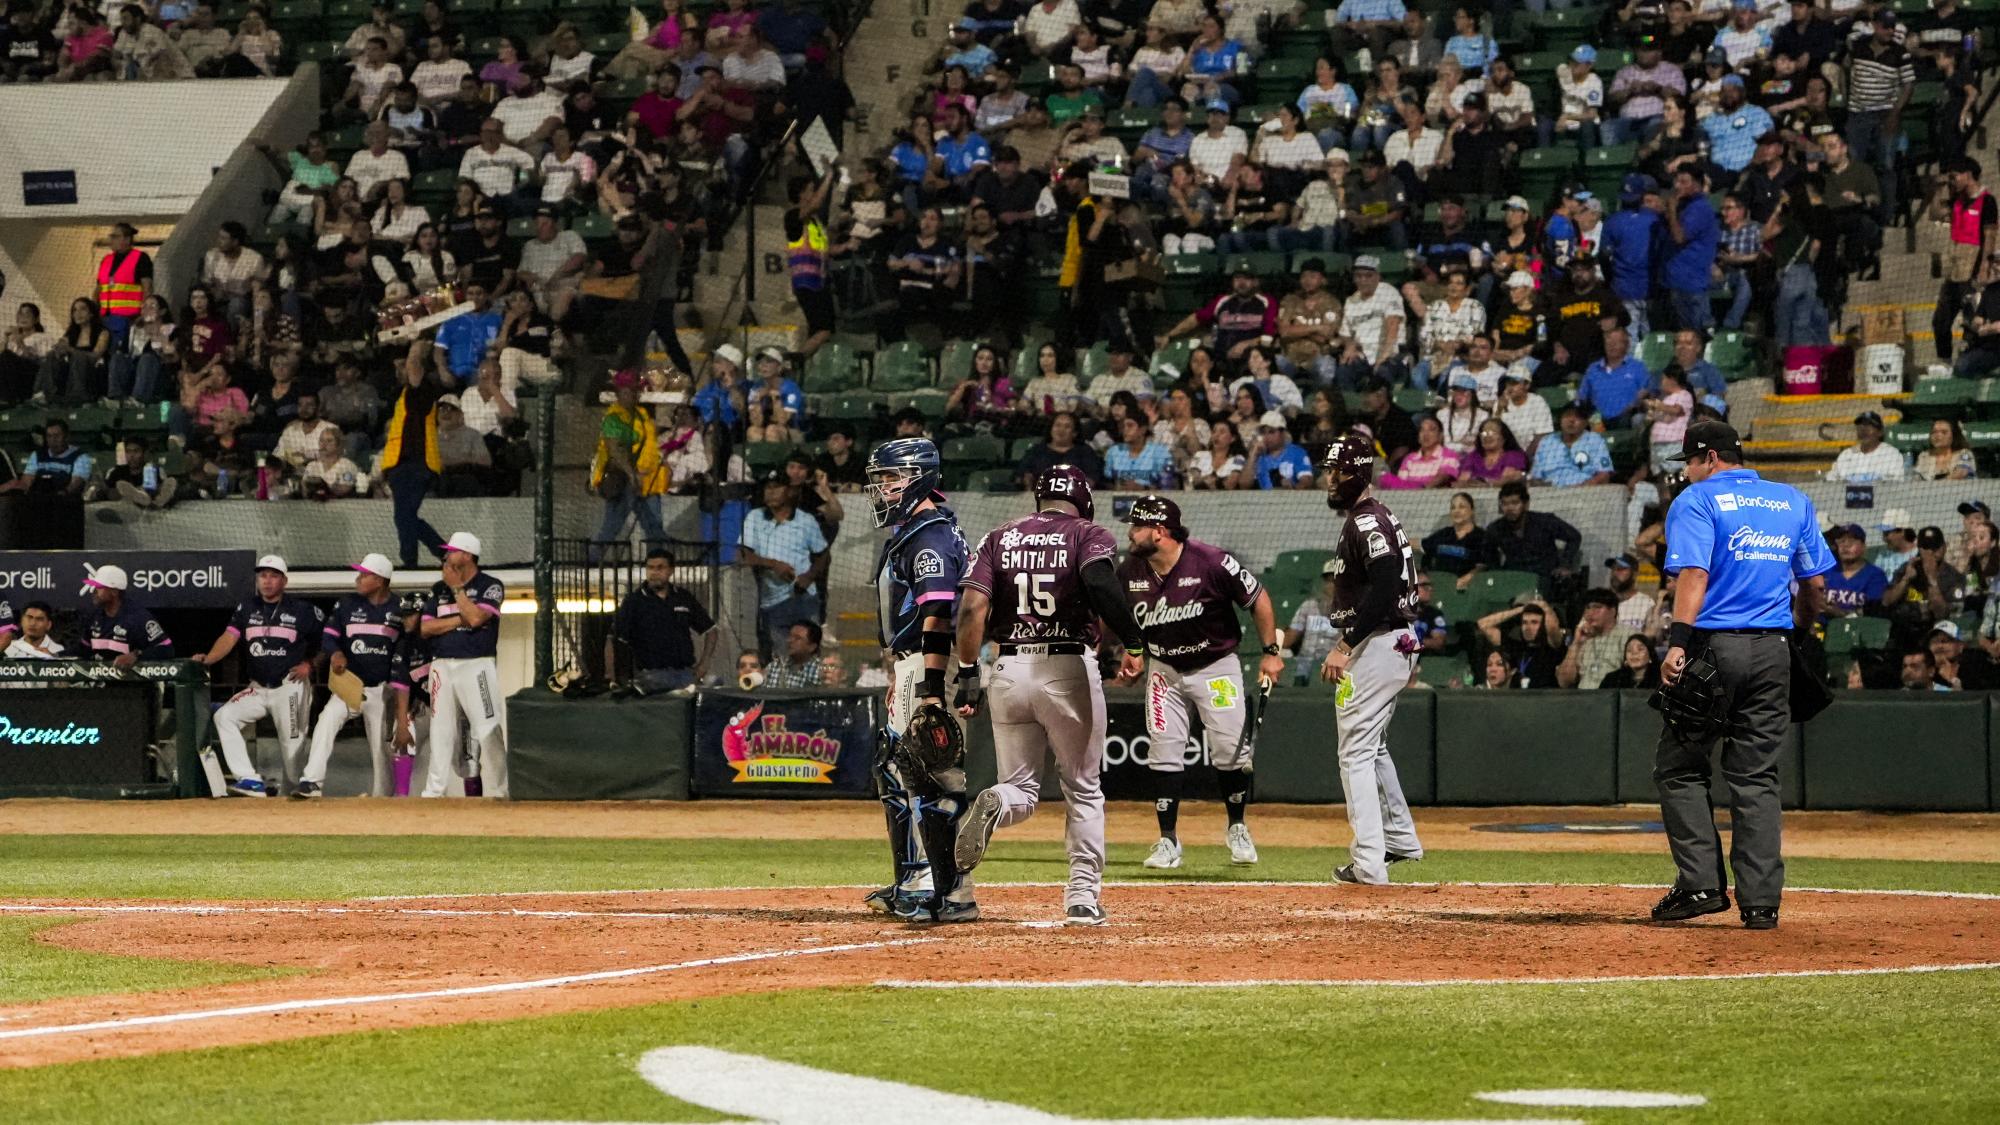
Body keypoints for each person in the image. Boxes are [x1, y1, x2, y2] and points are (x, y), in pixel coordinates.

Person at [1653, 419, 1831, 931]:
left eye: (1688, 462)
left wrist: (1678, 643)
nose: (1686, 473)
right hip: (1773, 649)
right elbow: (1815, 585)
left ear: (1708, 458)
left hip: (1712, 648)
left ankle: (1701, 885)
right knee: (1756, 776)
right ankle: (1761, 904)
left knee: (1680, 766)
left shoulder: (1698, 499)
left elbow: (1694, 573)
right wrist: (1797, 631)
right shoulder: (1791, 500)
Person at [951, 465, 1148, 927]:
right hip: (1066, 667)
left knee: (1020, 788)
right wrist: (1134, 641)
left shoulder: (998, 537)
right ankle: (1082, 897)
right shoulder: (1087, 532)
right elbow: (1101, 585)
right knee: (1082, 788)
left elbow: (972, 609)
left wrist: (966, 672)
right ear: (1081, 497)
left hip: (1008, 667)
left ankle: (995, 801)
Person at [1117, 495, 1285, 871]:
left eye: (1137, 526)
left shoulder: (1211, 561)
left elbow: (1259, 599)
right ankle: (1167, 840)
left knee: (1230, 752)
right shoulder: (1130, 570)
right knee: (1164, 751)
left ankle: (1237, 827)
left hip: (1216, 666)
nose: (1130, 533)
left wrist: (1271, 652)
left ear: (1159, 531)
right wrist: (1133, 650)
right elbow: (1119, 613)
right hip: (1164, 669)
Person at [860, 438, 978, 922]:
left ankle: (942, 887)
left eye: (891, 479)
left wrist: (929, 687)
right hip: (912, 662)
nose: (883, 490)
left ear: (919, 478)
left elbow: (936, 616)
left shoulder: (929, 539)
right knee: (898, 769)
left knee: (926, 773)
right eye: (881, 481)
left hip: (931, 662)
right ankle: (917, 878)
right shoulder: (919, 532)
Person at [1316, 434, 1424, 885]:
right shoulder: (1370, 517)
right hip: (1389, 640)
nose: (1329, 479)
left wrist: (1345, 645)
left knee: (1354, 754)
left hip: (1378, 640)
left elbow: (1384, 584)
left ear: (1357, 471)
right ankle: (1398, 837)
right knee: (1372, 747)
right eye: (1329, 469)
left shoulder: (1367, 521)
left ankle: (1368, 864)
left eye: (1336, 471)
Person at [190, 556, 325, 798]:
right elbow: (228, 637)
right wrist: (209, 658)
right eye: (263, 575)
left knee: (292, 752)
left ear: (284, 581)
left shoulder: (303, 610)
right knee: (224, 716)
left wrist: (310, 665)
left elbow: (327, 642)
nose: (267, 581)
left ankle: (294, 797)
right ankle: (250, 780)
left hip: (290, 686)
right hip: (259, 687)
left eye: (273, 576)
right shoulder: (247, 607)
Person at [301, 553, 404, 799]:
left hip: (381, 690)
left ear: (380, 580)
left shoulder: (399, 608)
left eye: (364, 574)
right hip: (350, 685)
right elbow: (328, 636)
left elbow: (406, 649)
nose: (358, 579)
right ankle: (312, 782)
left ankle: (382, 797)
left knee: (380, 748)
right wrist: (335, 653)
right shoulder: (346, 604)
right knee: (326, 722)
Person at [418, 532, 508, 799]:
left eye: (452, 551)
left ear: (468, 555)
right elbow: (425, 628)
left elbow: (478, 618)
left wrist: (458, 589)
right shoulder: (438, 588)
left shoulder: (490, 585)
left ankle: (501, 789)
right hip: (442, 665)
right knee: (440, 729)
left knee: (488, 726)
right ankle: (434, 790)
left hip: (476, 664)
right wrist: (460, 619)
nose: (446, 557)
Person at [739, 470, 829, 661]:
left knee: (810, 657)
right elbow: (743, 555)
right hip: (772, 602)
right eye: (767, 488)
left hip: (804, 597)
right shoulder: (754, 517)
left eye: (776, 487)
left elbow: (823, 555)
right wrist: (773, 564)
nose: (770, 493)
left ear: (789, 491)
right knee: (782, 658)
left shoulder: (805, 520)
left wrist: (808, 577)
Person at [379, 347, 449, 568]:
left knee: (404, 517)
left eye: (404, 366)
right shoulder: (404, 395)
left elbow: (414, 366)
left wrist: (416, 344)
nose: (400, 370)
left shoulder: (422, 391)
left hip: (416, 465)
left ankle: (411, 562)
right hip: (402, 466)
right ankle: (444, 554)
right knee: (406, 517)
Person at [614, 547, 718, 693]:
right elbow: (616, 639)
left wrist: (704, 664)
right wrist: (614, 678)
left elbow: (711, 630)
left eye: (660, 567)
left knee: (717, 683)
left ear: (671, 570)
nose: (654, 572)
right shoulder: (634, 601)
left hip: (685, 673)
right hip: (651, 675)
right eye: (650, 568)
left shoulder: (683, 597)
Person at [591, 370, 669, 554]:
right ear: (618, 393)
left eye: (634, 391)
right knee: (611, 528)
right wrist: (631, 474)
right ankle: (591, 562)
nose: (631, 396)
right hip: (625, 480)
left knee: (654, 527)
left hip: (646, 479)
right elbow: (615, 450)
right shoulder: (613, 418)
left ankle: (657, 562)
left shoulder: (641, 414)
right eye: (626, 392)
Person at [1487, 480, 1583, 592]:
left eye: (1514, 503)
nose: (1509, 508)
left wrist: (1565, 565)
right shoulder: (1495, 528)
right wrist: (1497, 574)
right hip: (1513, 578)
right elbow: (1489, 553)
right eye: (1505, 504)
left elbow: (1574, 536)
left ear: (1526, 504)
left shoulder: (1545, 521)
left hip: (1546, 577)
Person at [79, 565, 173, 666]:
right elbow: (83, 649)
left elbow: (166, 649)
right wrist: (60, 654)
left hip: (133, 680)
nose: (93, 590)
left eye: (99, 587)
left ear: (114, 591)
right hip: (102, 680)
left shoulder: (138, 617)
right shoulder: (94, 615)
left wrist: (135, 655)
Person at [1477, 598, 1567, 689]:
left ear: (1543, 625)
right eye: (1524, 622)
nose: (1528, 627)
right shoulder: (1517, 648)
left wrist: (1544, 607)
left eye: (1534, 622)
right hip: (1518, 701)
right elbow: (1483, 624)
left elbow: (1552, 627)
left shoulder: (1552, 648)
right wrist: (1520, 609)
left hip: (1543, 700)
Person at [1529, 403, 1614, 487]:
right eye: (1567, 415)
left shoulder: (1594, 440)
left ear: (1585, 423)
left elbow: (1604, 475)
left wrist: (1582, 487)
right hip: (1550, 492)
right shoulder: (1547, 441)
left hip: (1585, 492)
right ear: (1560, 420)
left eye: (1578, 417)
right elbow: (1535, 477)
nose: (1572, 420)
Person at [1556, 589, 1625, 689]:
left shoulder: (1628, 636)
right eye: (1587, 608)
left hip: (1612, 698)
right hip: (1582, 699)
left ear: (1613, 611)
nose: (1590, 613)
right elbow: (1564, 682)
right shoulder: (1582, 639)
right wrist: (1576, 643)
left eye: (1597, 607)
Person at [1821, 524, 1888, 620]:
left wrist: (1837, 612)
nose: (1846, 545)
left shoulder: (1875, 575)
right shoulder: (1827, 572)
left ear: (1864, 547)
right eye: (1842, 541)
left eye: (1852, 540)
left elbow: (1873, 610)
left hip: (1859, 630)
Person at [1826, 411, 1907, 483]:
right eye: (1860, 427)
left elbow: (1898, 481)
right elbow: (1830, 479)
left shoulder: (1891, 455)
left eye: (1869, 427)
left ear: (1880, 432)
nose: (1863, 430)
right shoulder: (1846, 455)